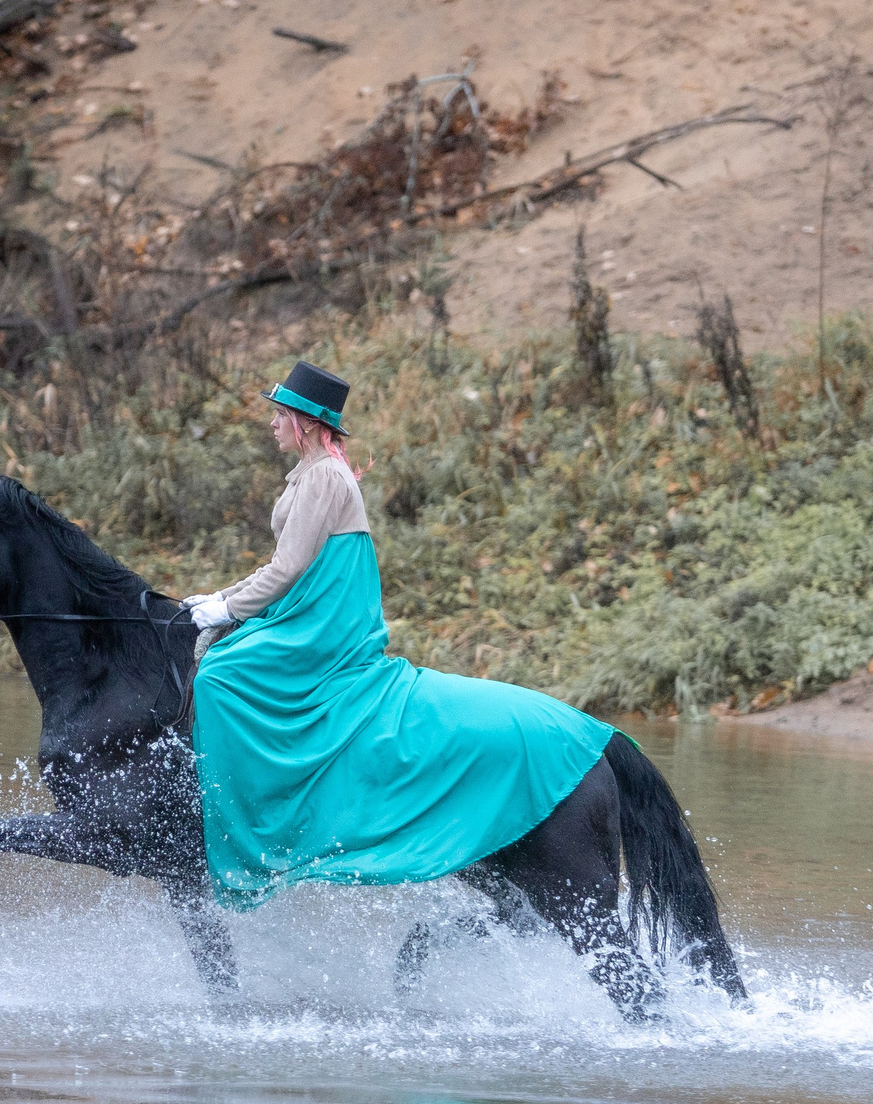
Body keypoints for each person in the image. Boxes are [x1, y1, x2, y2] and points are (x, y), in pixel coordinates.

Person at [181, 362, 619, 910]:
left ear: (306, 422)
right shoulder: (312, 472)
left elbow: (290, 568)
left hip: (323, 622)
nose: (271, 422)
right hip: (308, 609)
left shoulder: (324, 476)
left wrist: (226, 606)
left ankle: (258, 829)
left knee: (221, 678)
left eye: (279, 413)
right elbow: (279, 565)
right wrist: (219, 601)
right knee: (224, 659)